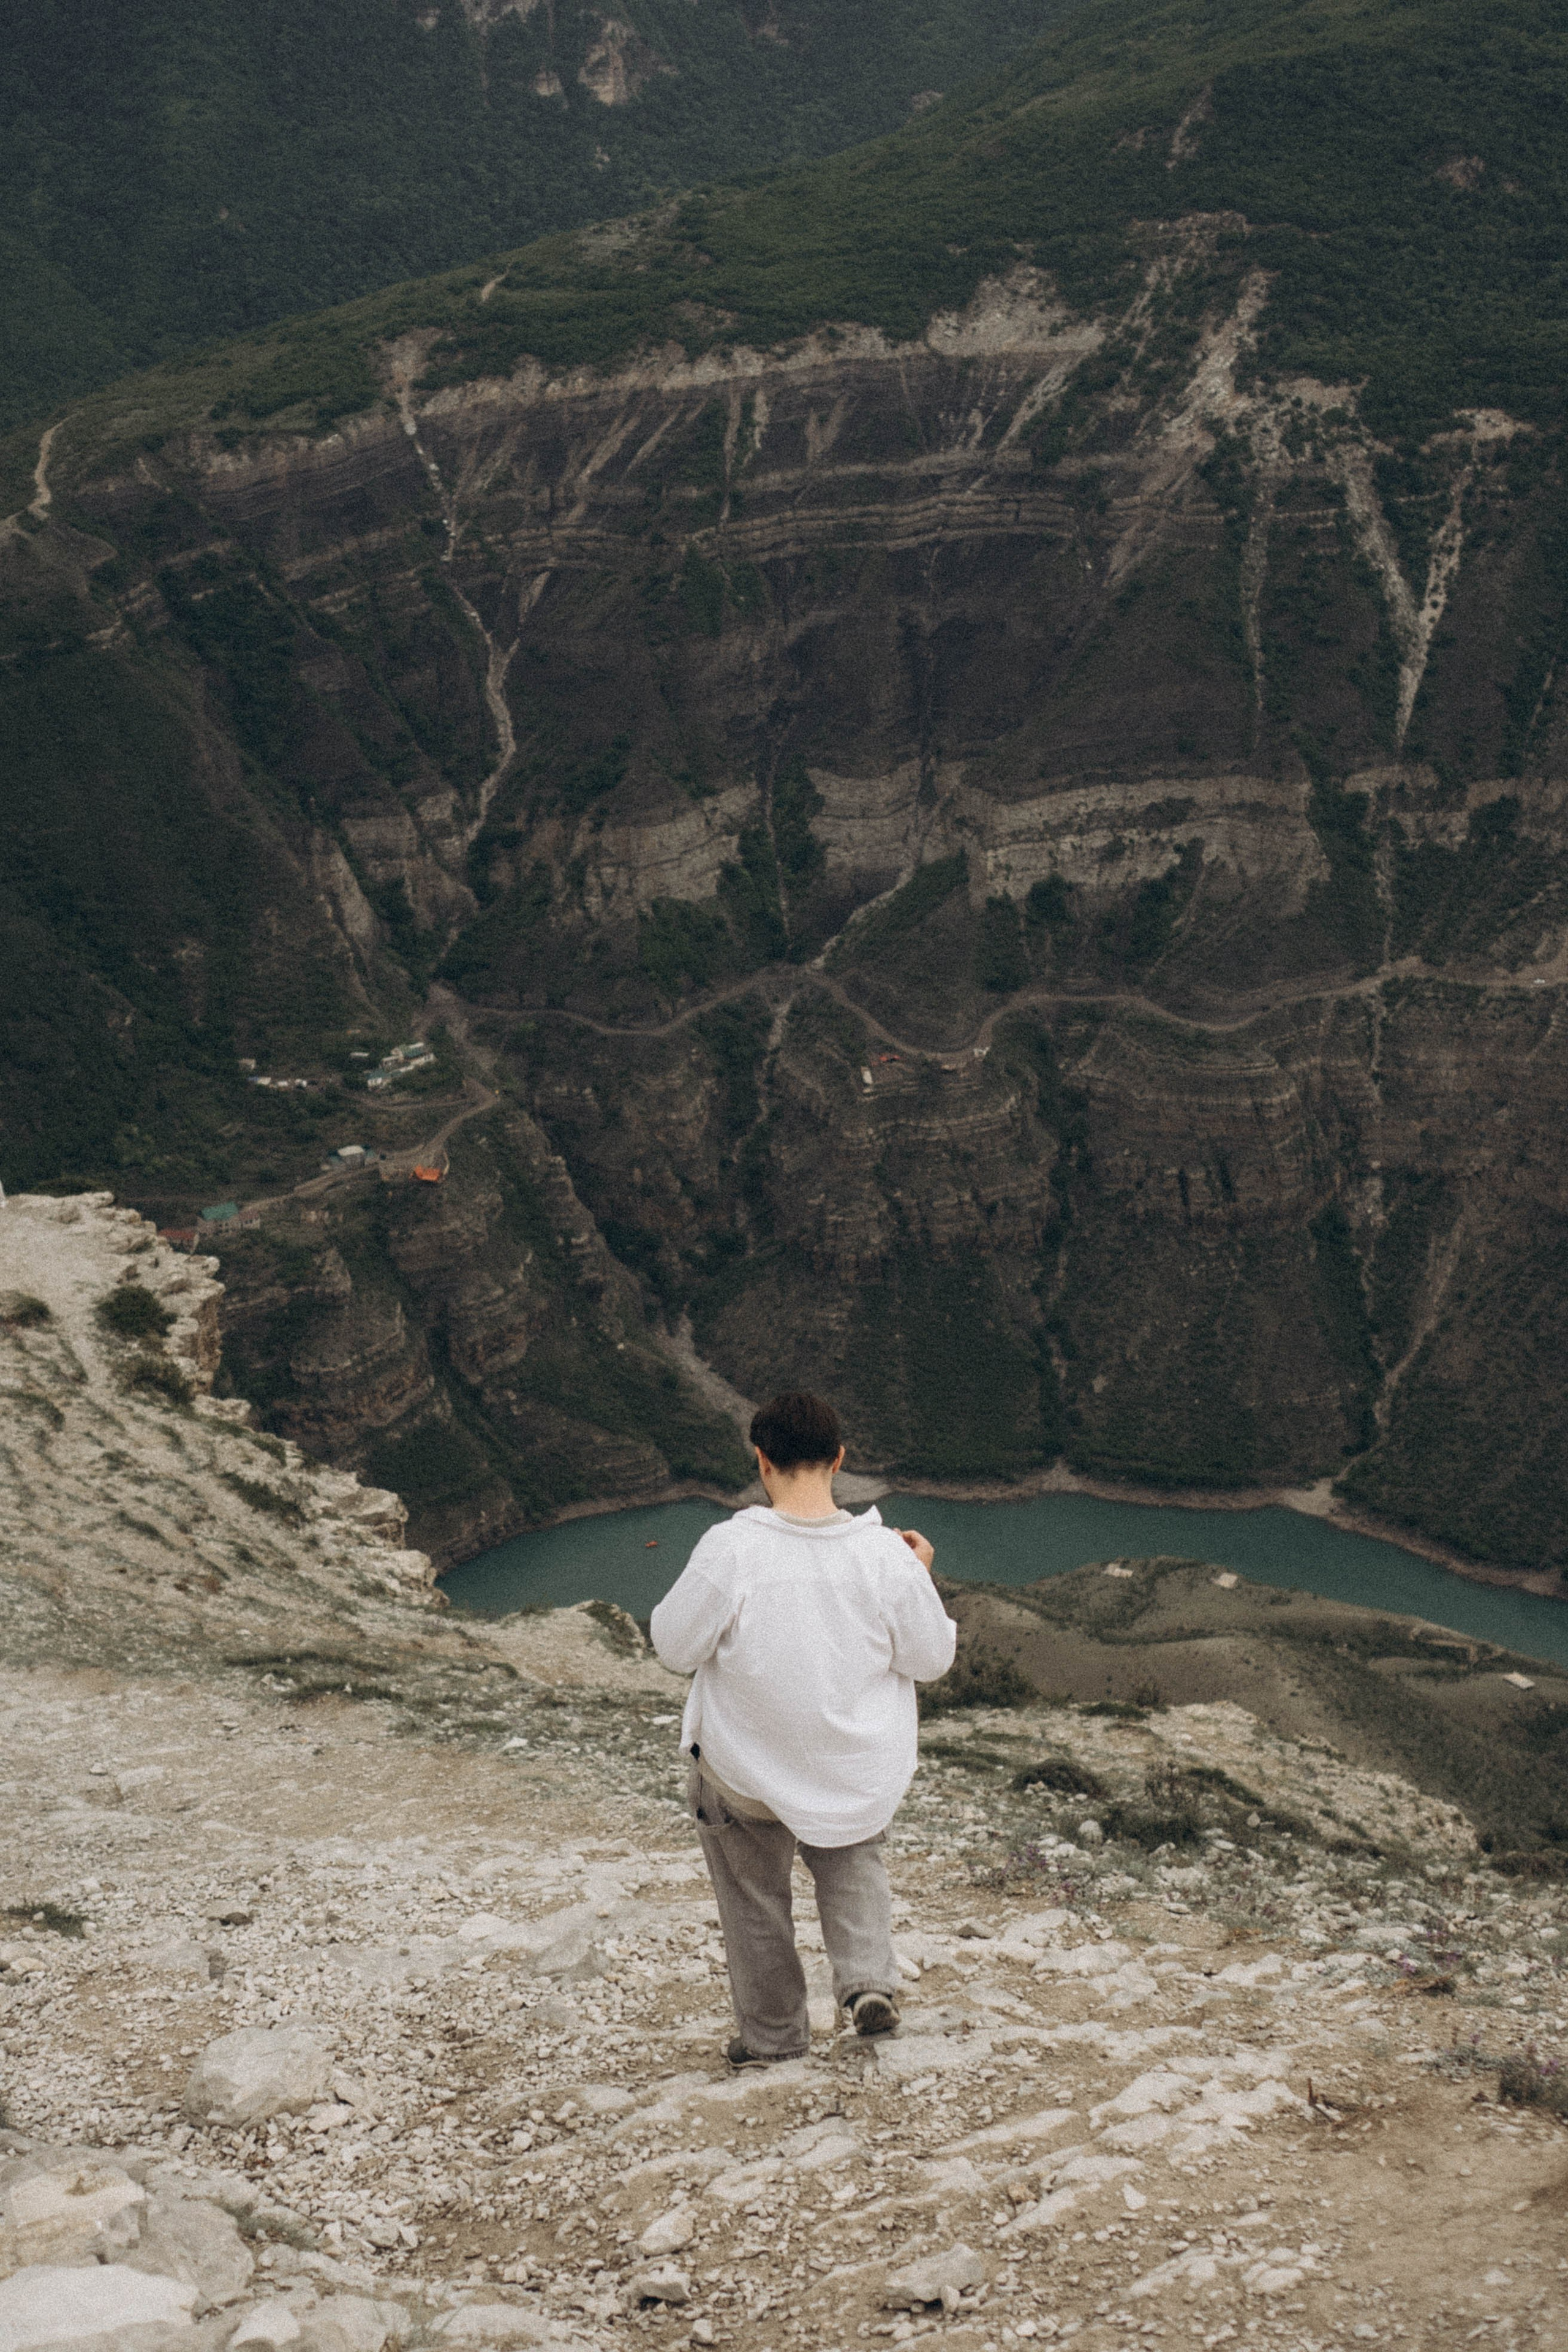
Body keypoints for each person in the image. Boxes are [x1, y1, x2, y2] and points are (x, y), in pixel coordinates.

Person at [649, 1390, 957, 2066]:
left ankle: (773, 2039)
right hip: (850, 1767)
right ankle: (867, 1984)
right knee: (851, 1852)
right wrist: (918, 1576)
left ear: (762, 1462)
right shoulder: (883, 1556)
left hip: (745, 1774)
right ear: (839, 1460)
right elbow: (932, 1659)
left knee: (754, 1897)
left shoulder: (730, 1549)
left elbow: (673, 1646)